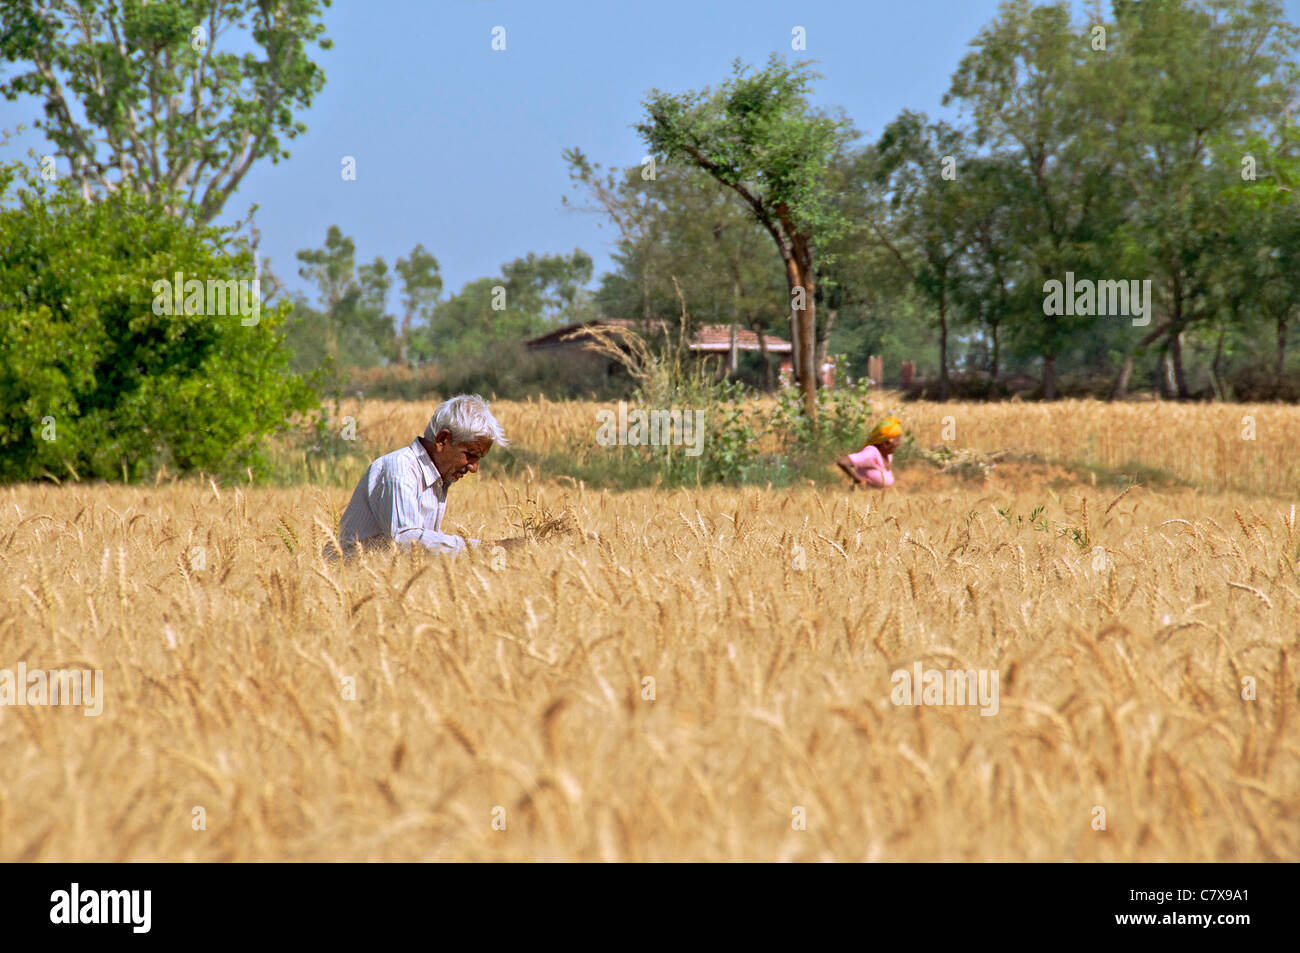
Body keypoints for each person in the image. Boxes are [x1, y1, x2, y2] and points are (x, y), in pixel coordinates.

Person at [326, 394, 524, 559]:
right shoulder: (399, 469)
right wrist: (486, 548)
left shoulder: (438, 478)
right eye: (470, 455)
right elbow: (406, 540)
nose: (474, 468)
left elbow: (420, 554)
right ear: (442, 439)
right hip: (348, 583)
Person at [836, 415, 903, 491]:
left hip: (879, 500)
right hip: (864, 500)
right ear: (885, 442)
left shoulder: (888, 455)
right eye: (897, 440)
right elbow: (842, 462)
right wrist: (859, 480)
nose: (899, 443)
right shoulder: (871, 453)